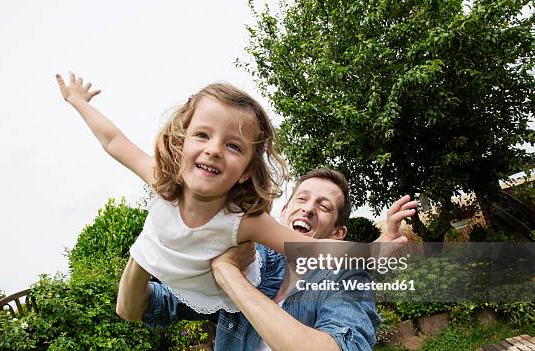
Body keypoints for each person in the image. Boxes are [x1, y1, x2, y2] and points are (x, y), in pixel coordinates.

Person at [56, 72, 408, 315]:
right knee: (132, 308)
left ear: (244, 173)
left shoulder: (242, 222)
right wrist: (78, 101)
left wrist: (374, 251)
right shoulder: (164, 183)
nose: (213, 150)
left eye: (234, 146)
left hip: (244, 290)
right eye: (203, 135)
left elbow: (312, 247)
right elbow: (115, 141)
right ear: (182, 141)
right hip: (187, 285)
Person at [118, 168, 417, 351]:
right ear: (284, 211)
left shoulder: (344, 281)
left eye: (323, 207)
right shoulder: (250, 261)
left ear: (337, 234)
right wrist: (151, 240)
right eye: (301, 199)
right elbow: (135, 308)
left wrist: (228, 273)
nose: (308, 209)